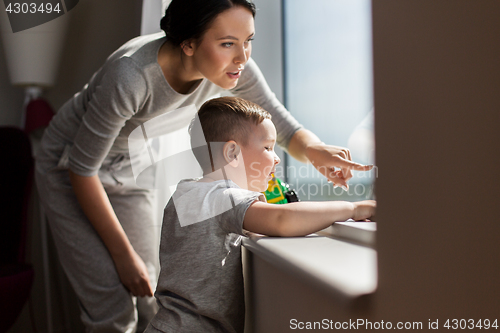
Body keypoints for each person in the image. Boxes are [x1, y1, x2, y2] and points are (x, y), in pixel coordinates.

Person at [35, 0, 373, 331]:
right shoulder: (131, 76)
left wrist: (317, 152)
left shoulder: (233, 69)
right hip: (70, 167)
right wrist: (124, 259)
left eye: (248, 41)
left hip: (129, 166)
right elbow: (83, 169)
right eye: (228, 43)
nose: (242, 57)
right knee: (112, 301)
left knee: (150, 289)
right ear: (189, 44)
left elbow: (282, 128)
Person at [144, 97, 376, 333]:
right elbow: (282, 220)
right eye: (267, 147)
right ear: (232, 152)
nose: (276, 157)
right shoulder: (221, 198)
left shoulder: (184, 193)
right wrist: (354, 209)